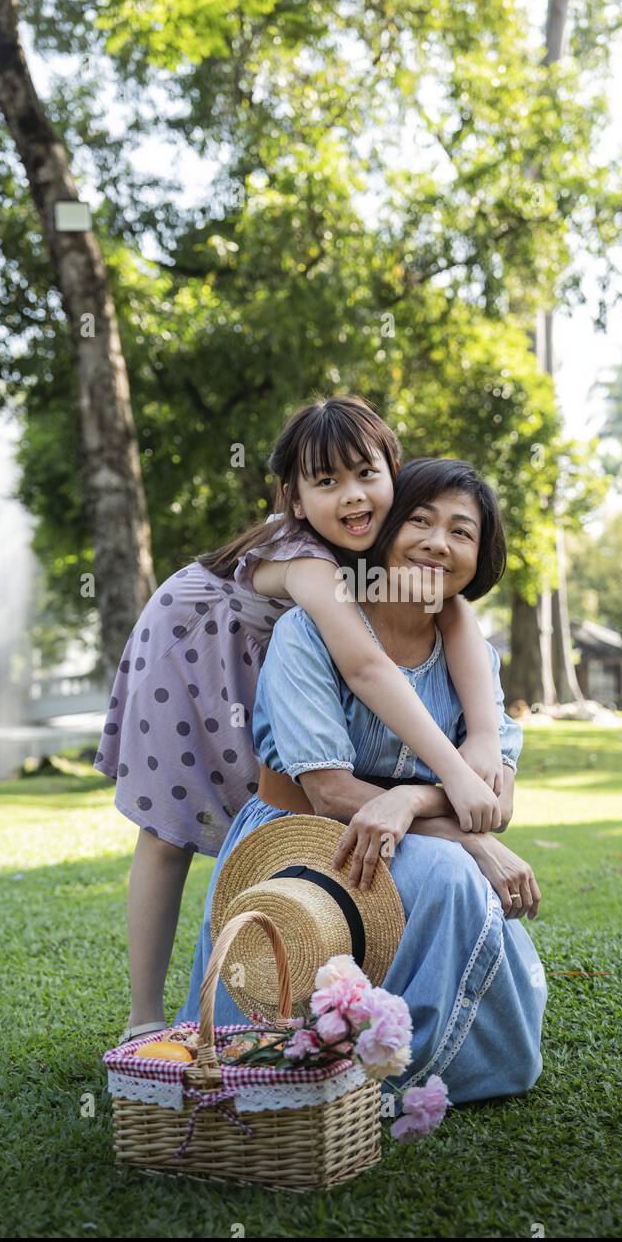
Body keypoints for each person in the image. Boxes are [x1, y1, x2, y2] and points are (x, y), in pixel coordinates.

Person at [95, 396, 512, 1043]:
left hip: (266, 656)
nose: (352, 496)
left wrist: (485, 733)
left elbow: (452, 611)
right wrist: (457, 771)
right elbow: (366, 669)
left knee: (274, 789)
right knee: (168, 830)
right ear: (293, 498)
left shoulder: (377, 546)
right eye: (327, 482)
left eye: (365, 475)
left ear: (394, 473)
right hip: (190, 646)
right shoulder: (312, 562)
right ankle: (144, 1016)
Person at [175, 459, 547, 1106]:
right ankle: (377, 1078)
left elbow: (494, 800)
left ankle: (429, 1063)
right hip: (301, 837)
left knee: (445, 868)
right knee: (454, 872)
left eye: (462, 532)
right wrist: (471, 843)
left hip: (408, 837)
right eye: (420, 521)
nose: (438, 542)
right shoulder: (308, 633)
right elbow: (330, 793)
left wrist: (410, 800)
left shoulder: (471, 657)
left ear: (479, 555)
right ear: (384, 531)